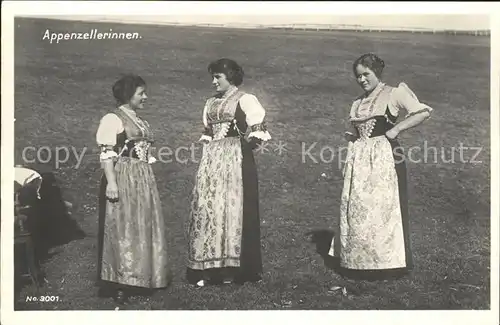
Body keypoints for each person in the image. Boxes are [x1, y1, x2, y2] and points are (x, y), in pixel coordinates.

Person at [329, 53, 433, 280]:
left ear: (377, 72)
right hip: (359, 159)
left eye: (367, 74)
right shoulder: (357, 102)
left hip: (384, 157)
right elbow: (360, 130)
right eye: (358, 76)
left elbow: (422, 111)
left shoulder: (393, 93)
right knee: (359, 207)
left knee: (382, 208)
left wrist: (396, 130)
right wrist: (354, 136)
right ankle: (357, 259)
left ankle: (385, 262)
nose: (362, 80)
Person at [186, 58, 271, 287]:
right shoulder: (210, 103)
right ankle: (210, 266)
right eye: (212, 77)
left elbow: (258, 131)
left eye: (218, 77)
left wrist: (242, 151)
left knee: (234, 211)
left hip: (236, 162)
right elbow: (208, 132)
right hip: (212, 162)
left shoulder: (245, 100)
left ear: (231, 77)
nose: (214, 82)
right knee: (210, 209)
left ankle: (234, 269)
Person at [95, 74, 171, 304]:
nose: (145, 97)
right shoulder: (113, 119)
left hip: (142, 178)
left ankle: (141, 276)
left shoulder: (138, 119)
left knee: (141, 224)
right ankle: (121, 282)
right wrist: (112, 184)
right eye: (141, 93)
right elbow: (107, 154)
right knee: (123, 228)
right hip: (123, 176)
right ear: (128, 95)